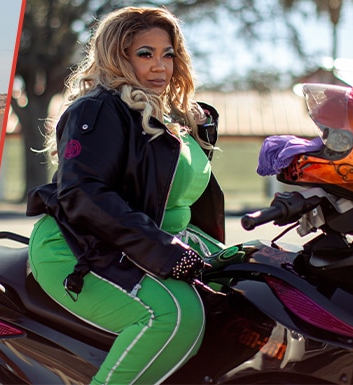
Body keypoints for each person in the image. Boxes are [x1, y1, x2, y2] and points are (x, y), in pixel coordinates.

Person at [23, 7, 222, 385]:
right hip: (78, 247)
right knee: (175, 316)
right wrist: (166, 251)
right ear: (118, 56)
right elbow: (83, 194)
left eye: (168, 54)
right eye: (145, 54)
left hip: (141, 242)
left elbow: (171, 208)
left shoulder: (171, 115)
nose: (160, 66)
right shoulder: (99, 110)